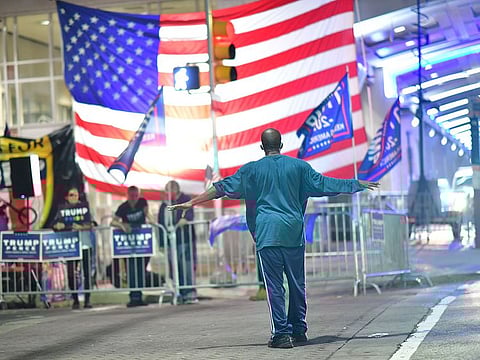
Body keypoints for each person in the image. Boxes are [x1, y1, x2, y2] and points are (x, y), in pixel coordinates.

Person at [167, 128, 379, 348]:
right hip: (293, 233)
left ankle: (281, 334)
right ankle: (298, 329)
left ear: (261, 146)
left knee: (274, 286)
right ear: (281, 145)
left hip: (267, 233)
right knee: (297, 284)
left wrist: (192, 202)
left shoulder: (251, 170)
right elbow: (326, 184)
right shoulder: (299, 167)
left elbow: (221, 188)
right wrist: (355, 184)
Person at [111, 185, 155, 307]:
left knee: (141, 269)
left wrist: (152, 221)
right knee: (131, 270)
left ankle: (139, 295)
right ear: (128, 195)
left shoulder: (142, 202)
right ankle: (133, 296)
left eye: (136, 195)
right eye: (132, 196)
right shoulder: (123, 207)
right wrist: (122, 225)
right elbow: (112, 221)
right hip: (129, 244)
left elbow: (147, 213)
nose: (134, 198)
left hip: (143, 242)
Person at [52, 186, 95, 310]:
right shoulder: (62, 209)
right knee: (71, 274)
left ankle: (87, 300)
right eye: (71, 195)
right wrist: (57, 225)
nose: (74, 197)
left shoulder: (84, 208)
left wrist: (81, 227)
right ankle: (75, 299)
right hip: (71, 246)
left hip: (85, 245)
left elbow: (91, 224)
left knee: (87, 273)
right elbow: (54, 223)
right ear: (67, 197)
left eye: (76, 195)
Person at [158, 180, 197, 304]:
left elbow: (190, 214)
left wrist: (184, 220)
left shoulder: (186, 199)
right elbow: (160, 222)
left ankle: (189, 292)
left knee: (186, 267)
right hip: (170, 242)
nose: (168, 194)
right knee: (174, 268)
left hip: (184, 240)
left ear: (176, 190)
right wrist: (161, 244)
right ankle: (178, 292)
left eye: (170, 191)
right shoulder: (164, 204)